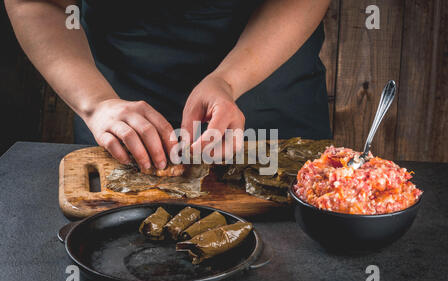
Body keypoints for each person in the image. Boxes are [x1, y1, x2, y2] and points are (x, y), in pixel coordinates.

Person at [6, 0, 332, 171]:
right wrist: (97, 102)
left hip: (271, 96)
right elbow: (37, 1)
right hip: (114, 101)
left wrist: (228, 80)